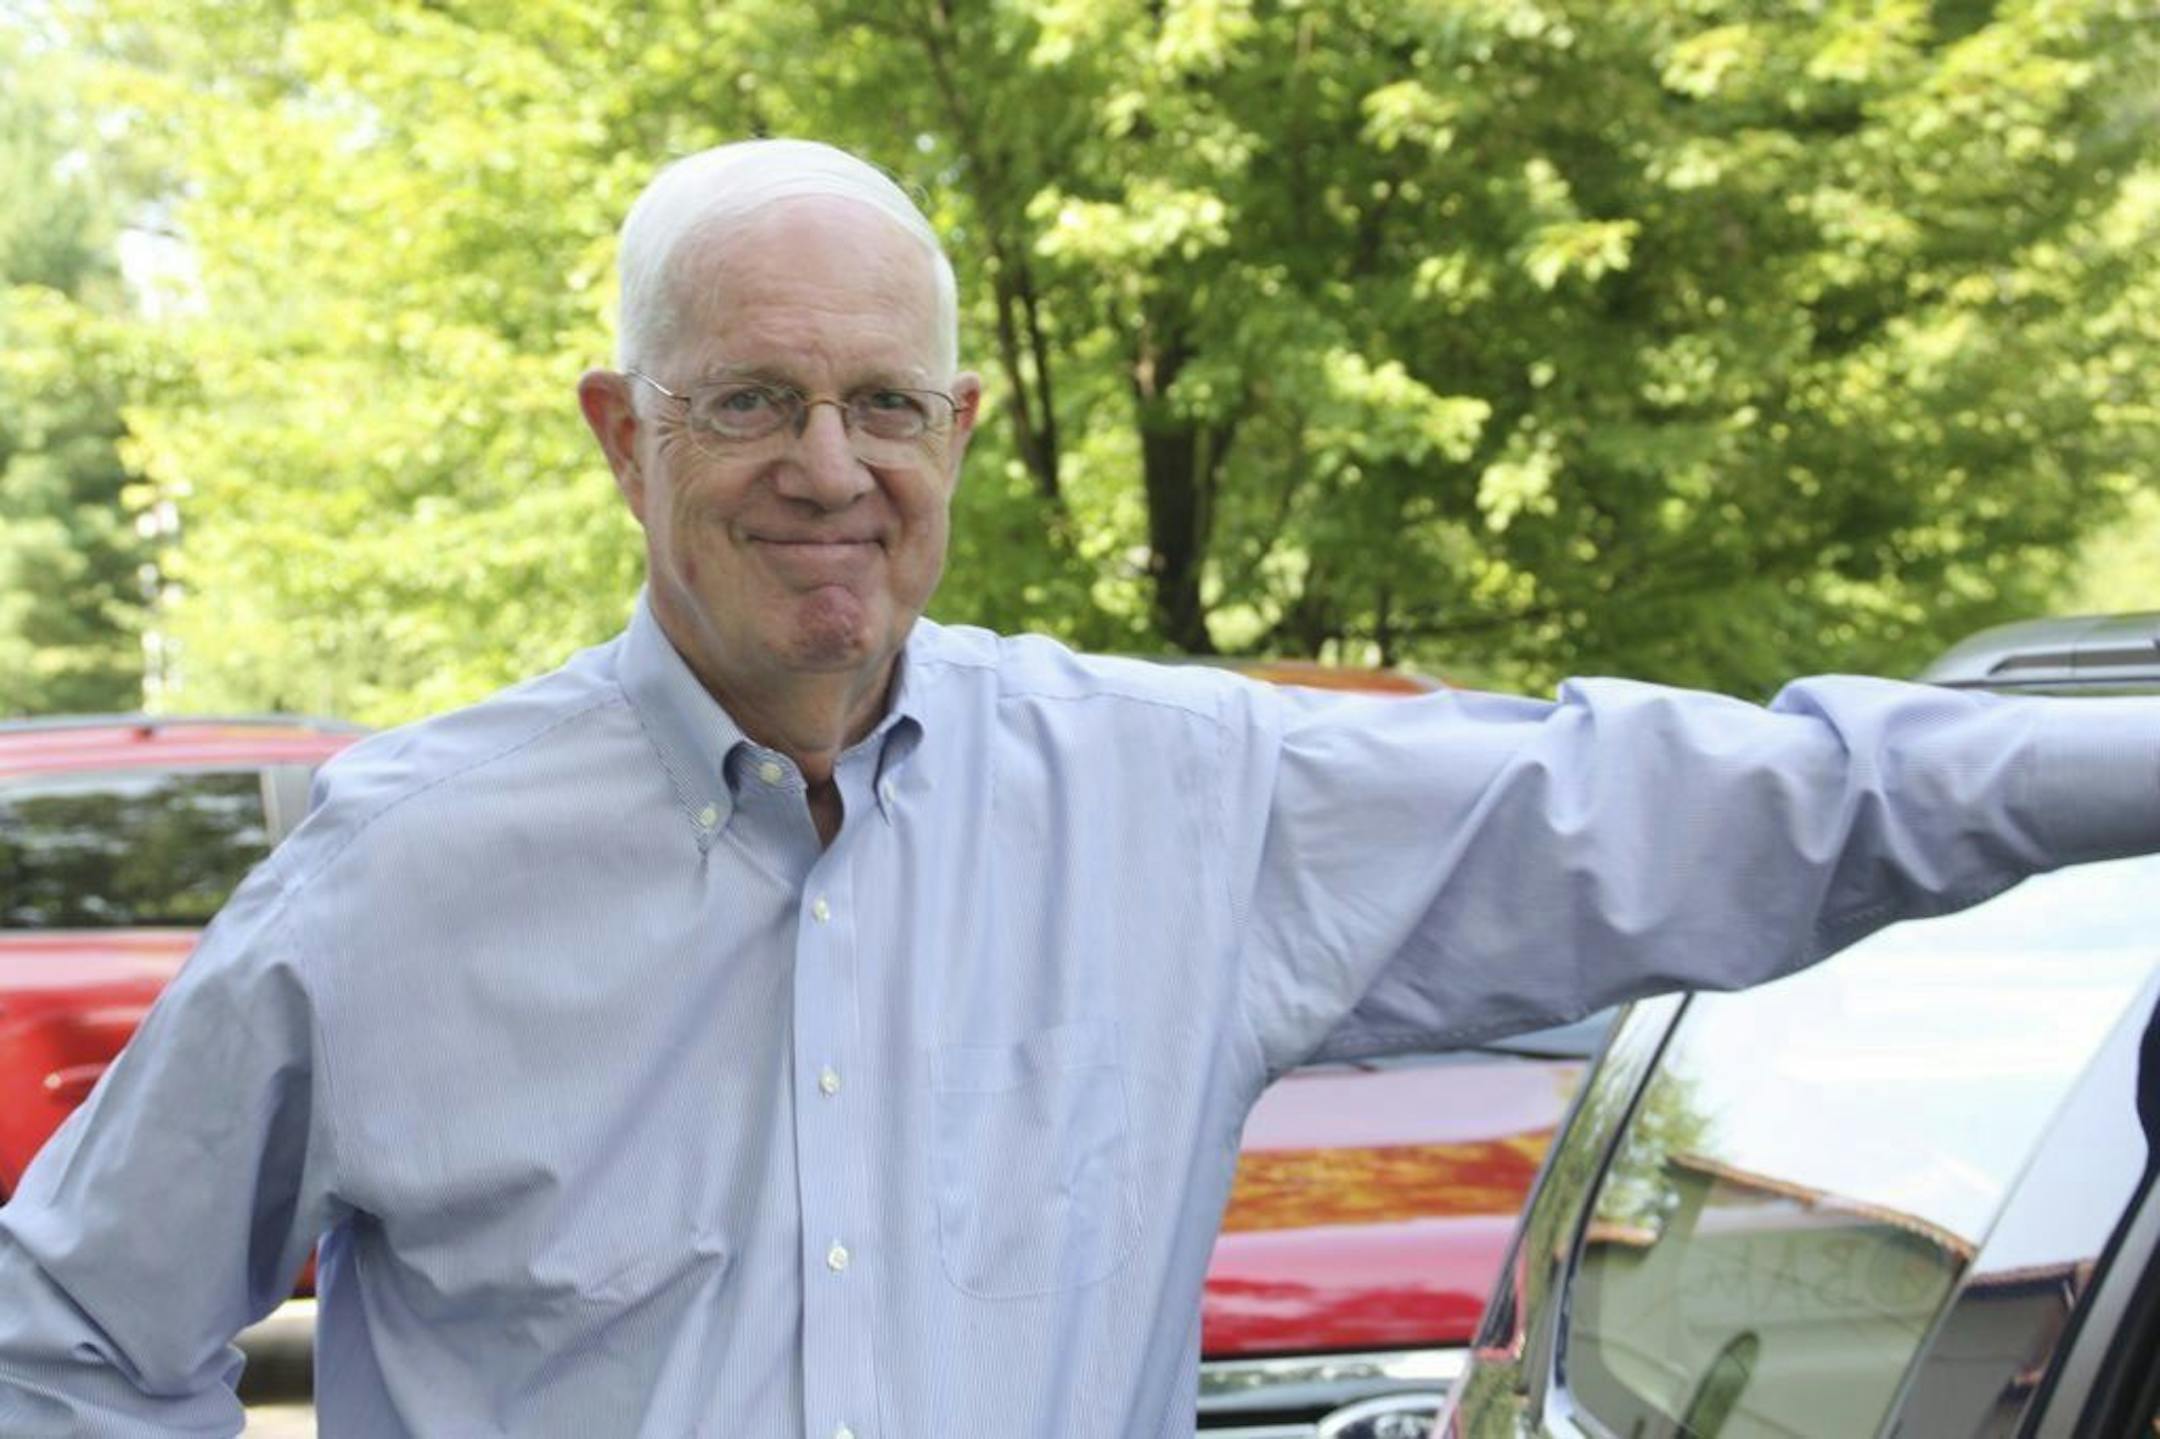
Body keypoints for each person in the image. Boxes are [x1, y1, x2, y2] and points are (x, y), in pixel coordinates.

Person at [0, 137, 2153, 1439]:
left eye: (883, 405)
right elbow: (78, 1328)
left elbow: (1746, 805)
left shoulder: (1186, 809)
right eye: (750, 397)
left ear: (953, 426)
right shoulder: (407, 877)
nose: (826, 469)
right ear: (618, 432)